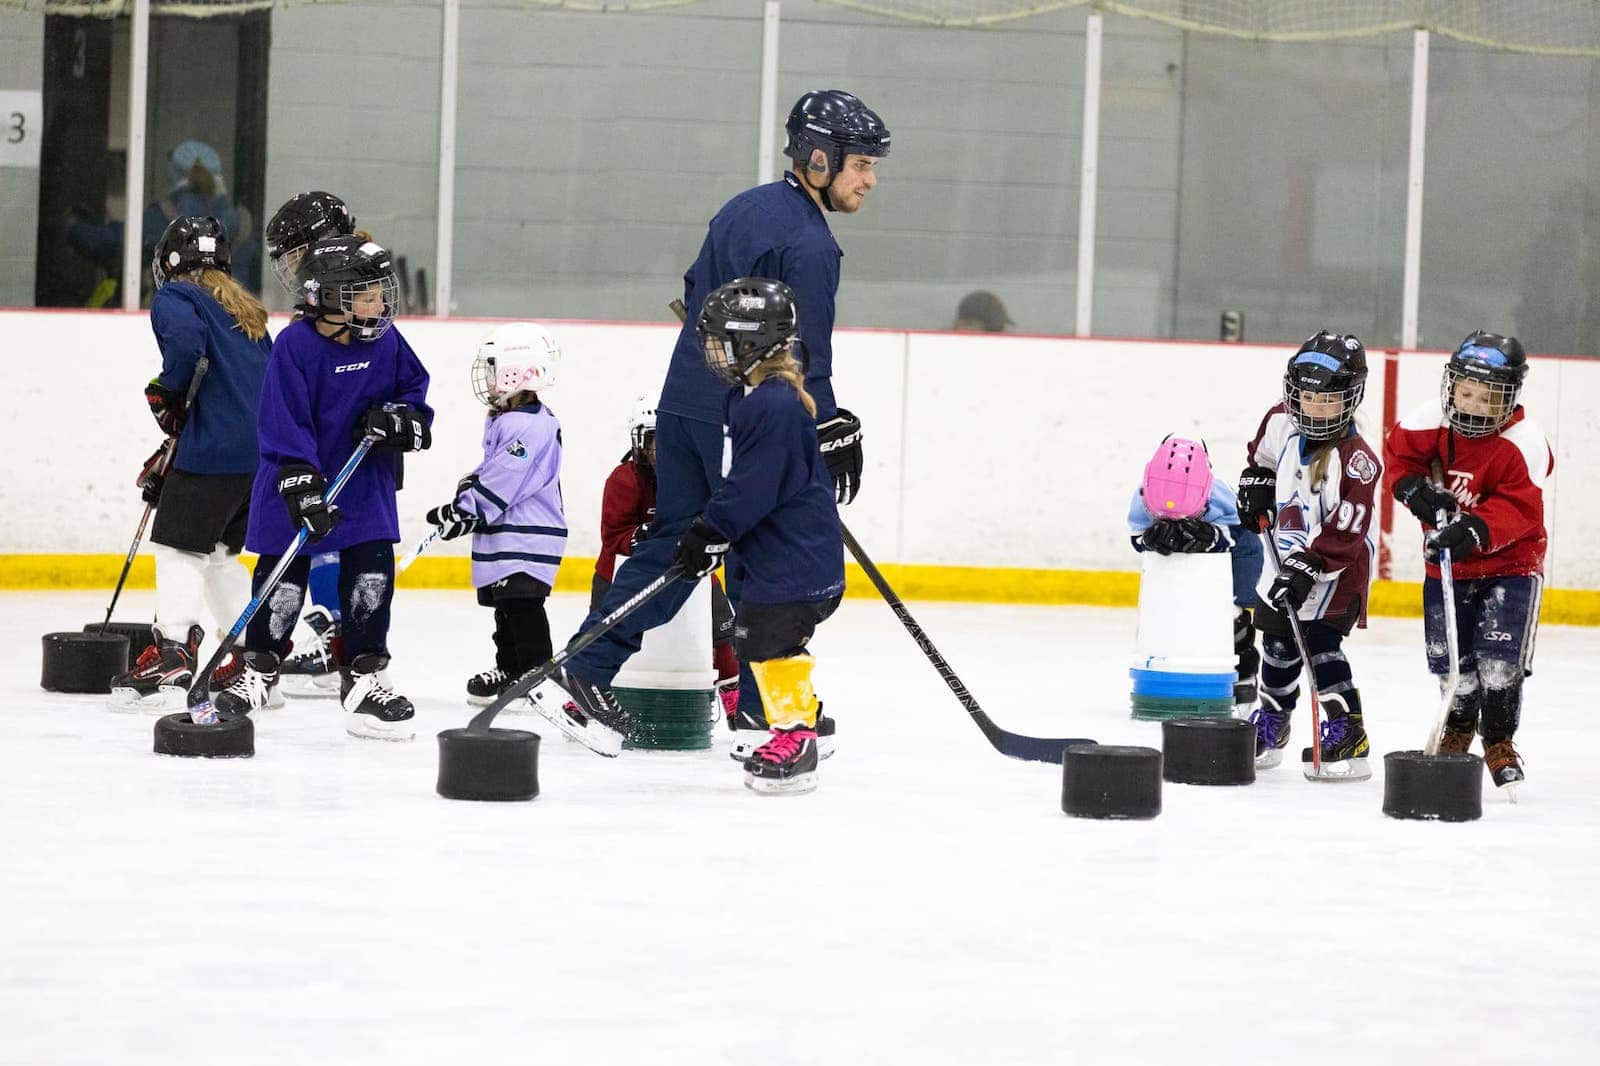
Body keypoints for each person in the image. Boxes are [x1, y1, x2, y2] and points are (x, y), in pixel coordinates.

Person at [530, 89, 887, 756]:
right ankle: (712, 700)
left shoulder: (743, 208)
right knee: (758, 550)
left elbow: (697, 295)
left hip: (685, 401)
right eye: (861, 164)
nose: (869, 181)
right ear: (819, 158)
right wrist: (827, 424)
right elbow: (801, 353)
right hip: (738, 414)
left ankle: (744, 704)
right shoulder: (809, 246)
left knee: (683, 541)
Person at [213, 235, 433, 740]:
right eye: (369, 295)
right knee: (283, 579)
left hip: (362, 480)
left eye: (382, 293)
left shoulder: (386, 340)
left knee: (372, 577)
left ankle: (363, 675)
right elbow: (282, 419)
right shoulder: (294, 345)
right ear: (332, 296)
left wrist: (401, 420)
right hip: (299, 480)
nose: (382, 304)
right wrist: (302, 485)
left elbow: (414, 395)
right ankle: (260, 672)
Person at [668, 279, 843, 793]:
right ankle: (800, 722)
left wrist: (710, 529)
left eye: (722, 339)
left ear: (750, 343)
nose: (713, 352)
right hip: (779, 558)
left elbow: (751, 487)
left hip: (793, 563)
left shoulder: (771, 405)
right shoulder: (758, 398)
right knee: (761, 641)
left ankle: (798, 736)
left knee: (771, 644)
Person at [108, 216, 270, 710]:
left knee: (179, 548)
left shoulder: (177, 298)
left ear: (169, 262)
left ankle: (173, 653)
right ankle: (249, 660)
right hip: (259, 460)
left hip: (212, 453)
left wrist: (167, 393)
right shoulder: (249, 312)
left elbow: (184, 350)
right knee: (221, 555)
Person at [1384, 332, 1552, 793]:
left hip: (1510, 567)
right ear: (1451, 386)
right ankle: (1457, 727)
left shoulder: (1524, 441)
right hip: (1447, 568)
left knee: (1499, 663)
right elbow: (1399, 458)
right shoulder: (1428, 422)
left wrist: (1475, 528)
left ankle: (1498, 740)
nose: (1475, 404)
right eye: (1467, 392)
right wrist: (1413, 489)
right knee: (1450, 662)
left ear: (1510, 397)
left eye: (1489, 396)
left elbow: (1522, 508)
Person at [1235, 331, 1381, 780]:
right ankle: (1274, 723)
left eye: (1327, 401)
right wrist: (1254, 485)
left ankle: (1347, 728)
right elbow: (1259, 461)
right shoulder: (1279, 422)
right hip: (1282, 556)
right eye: (1306, 397)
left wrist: (1310, 565)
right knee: (1278, 644)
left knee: (1319, 644)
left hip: (1337, 572)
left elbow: (1348, 529)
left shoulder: (1357, 461)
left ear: (1350, 399)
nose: (1314, 408)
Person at [424, 323, 567, 706]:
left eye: (492, 368)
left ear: (516, 372)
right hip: (509, 534)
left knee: (523, 607)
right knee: (506, 608)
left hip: (528, 536)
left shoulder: (531, 425)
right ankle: (511, 669)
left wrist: (467, 509)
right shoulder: (511, 418)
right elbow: (495, 471)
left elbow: (507, 478)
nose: (486, 377)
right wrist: (467, 491)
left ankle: (537, 675)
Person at [262, 191, 361, 698]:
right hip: (326, 435)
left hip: (345, 438)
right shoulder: (331, 296)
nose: (292, 266)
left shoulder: (356, 290)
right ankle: (333, 632)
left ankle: (341, 639)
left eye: (296, 252)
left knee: (337, 535)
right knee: (321, 532)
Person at [588, 396, 743, 719]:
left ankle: (734, 696)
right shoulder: (625, 479)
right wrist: (645, 535)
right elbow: (612, 537)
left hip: (692, 569)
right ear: (639, 443)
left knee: (722, 632)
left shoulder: (695, 479)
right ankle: (583, 692)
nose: (663, 450)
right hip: (619, 573)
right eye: (654, 441)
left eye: (670, 441)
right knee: (605, 629)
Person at [1126, 436, 1262, 707]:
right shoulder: (1142, 496)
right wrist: (1151, 539)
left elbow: (1245, 536)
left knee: (1231, 614)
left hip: (1235, 560)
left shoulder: (1220, 496)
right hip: (1176, 583)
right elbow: (1136, 536)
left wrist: (1213, 537)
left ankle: (1243, 665)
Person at [66, 141, 246, 303]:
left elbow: (113, 243)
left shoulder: (164, 216)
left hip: (176, 312)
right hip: (232, 316)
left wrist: (73, 226)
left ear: (174, 173)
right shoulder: (240, 220)